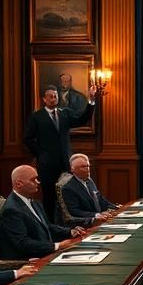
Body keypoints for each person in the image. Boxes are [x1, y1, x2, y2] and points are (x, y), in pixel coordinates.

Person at [23, 82, 97, 221]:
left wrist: (91, 101)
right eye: (50, 97)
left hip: (65, 163)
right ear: (44, 99)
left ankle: (70, 225)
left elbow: (82, 119)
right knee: (50, 199)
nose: (53, 99)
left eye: (55, 96)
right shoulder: (37, 116)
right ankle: (51, 228)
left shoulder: (65, 113)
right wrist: (40, 154)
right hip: (47, 165)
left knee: (68, 195)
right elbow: (27, 139)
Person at [0, 165, 86, 259]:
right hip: (29, 261)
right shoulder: (11, 210)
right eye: (33, 180)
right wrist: (57, 246)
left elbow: (47, 227)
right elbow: (23, 243)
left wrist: (70, 232)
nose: (38, 182)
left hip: (46, 253)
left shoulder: (35, 202)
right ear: (19, 183)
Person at [60, 154, 119, 225]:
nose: (87, 169)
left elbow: (100, 199)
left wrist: (115, 207)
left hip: (102, 218)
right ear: (73, 169)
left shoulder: (90, 181)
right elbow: (74, 211)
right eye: (83, 167)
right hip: (86, 223)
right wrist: (95, 215)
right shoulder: (68, 188)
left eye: (88, 166)